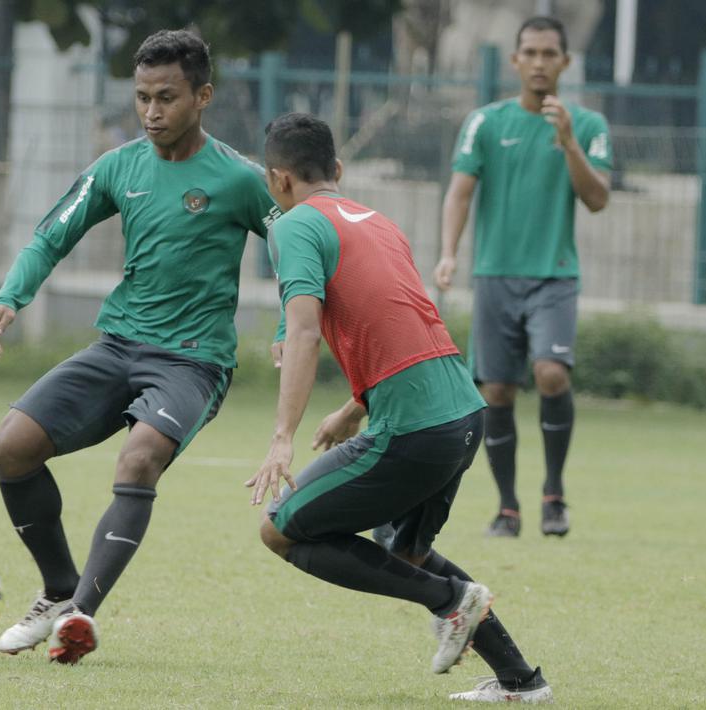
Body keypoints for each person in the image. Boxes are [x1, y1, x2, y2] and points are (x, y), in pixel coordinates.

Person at [0, 29, 281, 665]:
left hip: (194, 361)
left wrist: (289, 326)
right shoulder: (118, 166)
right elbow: (50, 237)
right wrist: (11, 296)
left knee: (139, 458)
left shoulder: (239, 179)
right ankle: (59, 591)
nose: (151, 112)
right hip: (118, 345)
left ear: (202, 96)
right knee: (11, 447)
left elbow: (296, 251)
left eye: (166, 98)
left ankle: (81, 616)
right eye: (142, 97)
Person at [250, 112, 553, 703]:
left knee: (279, 530)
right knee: (405, 551)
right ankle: (520, 681)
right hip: (464, 415)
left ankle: (449, 603)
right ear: (337, 170)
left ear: (277, 180)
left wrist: (282, 434)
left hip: (414, 429)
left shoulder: (294, 227)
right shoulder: (379, 223)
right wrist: (355, 407)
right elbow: (397, 326)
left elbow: (305, 331)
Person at [436, 16, 611, 537]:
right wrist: (449, 253)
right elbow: (460, 190)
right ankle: (507, 508)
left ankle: (553, 495)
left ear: (565, 62)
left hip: (553, 277)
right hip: (494, 276)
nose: (539, 63)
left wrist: (569, 142)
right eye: (529, 53)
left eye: (548, 54)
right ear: (515, 61)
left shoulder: (589, 125)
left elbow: (598, 199)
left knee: (551, 374)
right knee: (496, 392)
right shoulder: (485, 123)